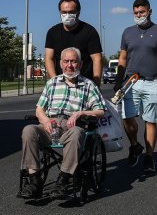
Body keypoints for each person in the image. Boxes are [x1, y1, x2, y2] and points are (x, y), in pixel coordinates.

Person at [19, 47, 106, 199]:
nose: (69, 65)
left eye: (73, 61)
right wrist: (46, 120)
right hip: (49, 126)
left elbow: (100, 111)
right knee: (28, 130)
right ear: (60, 63)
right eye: (66, 61)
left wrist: (81, 113)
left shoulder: (89, 85)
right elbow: (39, 109)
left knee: (77, 132)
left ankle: (63, 180)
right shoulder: (52, 83)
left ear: (80, 63)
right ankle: (34, 181)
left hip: (71, 127)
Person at [114, 0, 157, 173]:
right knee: (127, 118)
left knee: (150, 120)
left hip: (153, 81)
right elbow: (122, 58)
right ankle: (135, 145)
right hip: (130, 82)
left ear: (150, 11)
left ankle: (149, 156)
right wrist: (118, 81)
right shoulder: (127, 32)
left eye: (142, 12)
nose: (138, 16)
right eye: (135, 13)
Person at [45, 0, 103, 86]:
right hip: (61, 83)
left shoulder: (90, 31)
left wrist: (96, 85)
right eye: (64, 12)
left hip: (85, 84)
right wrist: (55, 82)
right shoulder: (52, 32)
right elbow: (49, 58)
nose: (67, 15)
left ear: (78, 13)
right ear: (60, 12)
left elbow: (97, 59)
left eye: (71, 12)